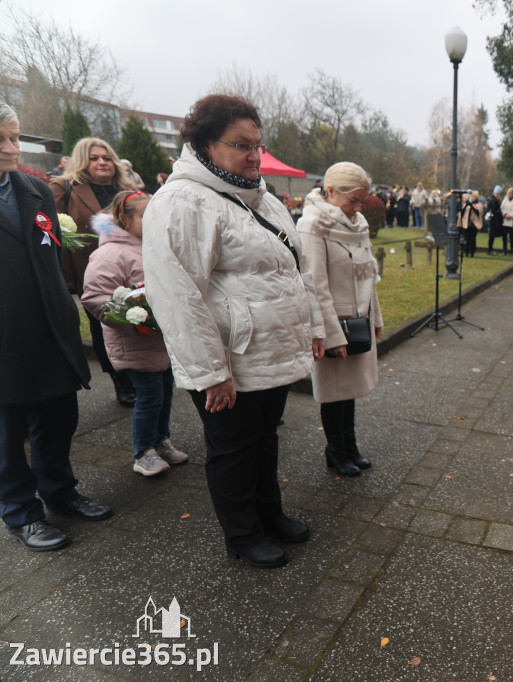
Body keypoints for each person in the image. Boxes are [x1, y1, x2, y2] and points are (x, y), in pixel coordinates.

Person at [142, 94, 326, 570]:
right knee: (233, 450)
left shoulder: (262, 197)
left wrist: (314, 326)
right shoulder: (181, 202)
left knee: (264, 439)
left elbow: (297, 270)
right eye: (241, 145)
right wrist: (210, 373)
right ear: (205, 144)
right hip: (230, 359)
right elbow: (177, 296)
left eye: (257, 145)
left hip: (271, 351)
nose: (253, 156)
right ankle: (243, 535)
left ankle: (269, 515)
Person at [0, 101, 112, 552]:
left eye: (14, 138)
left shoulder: (34, 190)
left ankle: (60, 491)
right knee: (8, 433)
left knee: (58, 419)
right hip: (4, 337)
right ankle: (20, 512)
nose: (11, 149)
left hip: (50, 328)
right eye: (0, 140)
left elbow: (50, 253)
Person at [80, 190, 189, 477]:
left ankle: (161, 440)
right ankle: (143, 452)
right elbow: (95, 298)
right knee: (149, 397)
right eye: (145, 215)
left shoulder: (152, 246)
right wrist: (133, 317)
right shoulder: (109, 254)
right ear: (124, 218)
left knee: (164, 394)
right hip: (134, 342)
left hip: (160, 341)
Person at [297, 162, 382, 478]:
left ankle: (350, 444)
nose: (358, 208)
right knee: (334, 391)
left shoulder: (357, 224)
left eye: (362, 201)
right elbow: (315, 285)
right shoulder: (312, 225)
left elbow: (368, 275)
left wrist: (375, 317)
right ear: (330, 191)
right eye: (353, 201)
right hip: (334, 322)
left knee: (349, 389)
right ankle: (336, 448)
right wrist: (331, 335)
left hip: (359, 319)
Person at [50, 137, 139, 408]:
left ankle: (143, 376)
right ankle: (120, 380)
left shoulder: (129, 189)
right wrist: (65, 278)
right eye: (94, 158)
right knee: (104, 327)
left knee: (137, 320)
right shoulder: (63, 188)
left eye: (107, 157)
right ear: (81, 161)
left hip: (134, 268)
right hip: (92, 272)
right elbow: (56, 237)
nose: (102, 162)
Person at [458, 190, 482, 257]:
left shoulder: (477, 204)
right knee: (466, 238)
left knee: (472, 239)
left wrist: (472, 206)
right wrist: (466, 205)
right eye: (472, 197)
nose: (472, 198)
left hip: (474, 224)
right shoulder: (467, 204)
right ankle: (466, 251)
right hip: (466, 224)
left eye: (474, 197)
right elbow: (462, 212)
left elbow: (478, 212)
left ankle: (472, 252)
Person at [486, 185, 504, 255]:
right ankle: (490, 249)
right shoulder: (494, 201)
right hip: (494, 220)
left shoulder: (492, 200)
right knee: (492, 235)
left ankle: (490, 249)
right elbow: (494, 211)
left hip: (493, 220)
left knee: (492, 235)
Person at [500, 186, 513, 255]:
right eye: (509, 193)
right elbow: (502, 208)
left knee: (512, 236)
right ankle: (505, 250)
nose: (511, 195)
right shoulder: (505, 200)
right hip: (505, 221)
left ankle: (512, 250)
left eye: (512, 193)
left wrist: (511, 215)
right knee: (504, 236)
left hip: (511, 221)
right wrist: (505, 214)